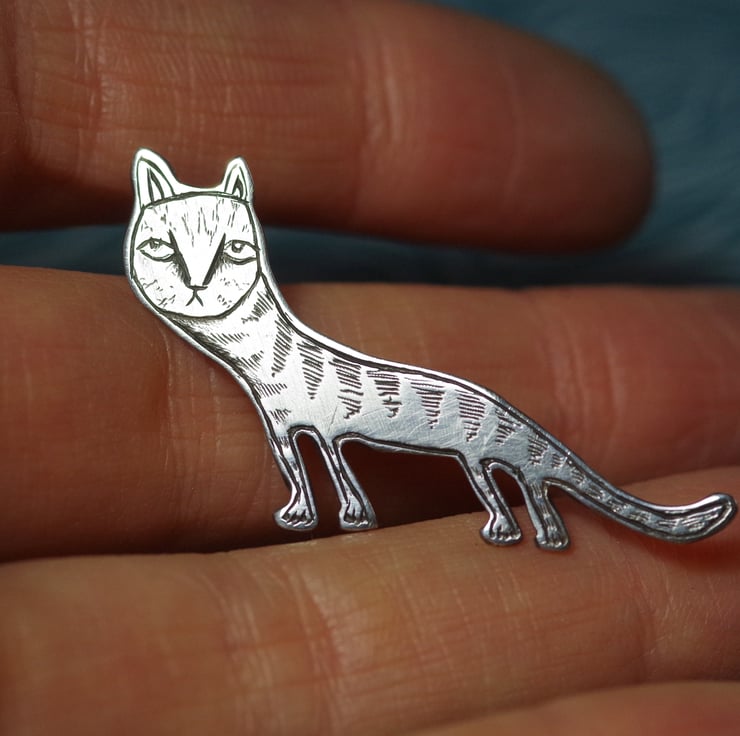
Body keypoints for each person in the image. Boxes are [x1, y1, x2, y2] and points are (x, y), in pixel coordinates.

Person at [1, 2, 738, 733]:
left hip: (428, 408)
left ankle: (555, 514)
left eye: (220, 257)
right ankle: (517, 514)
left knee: (495, 448)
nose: (198, 281)